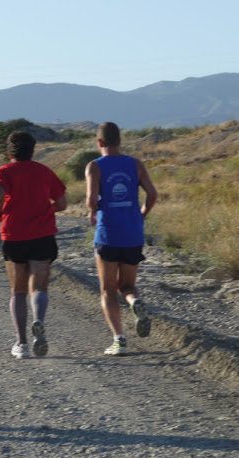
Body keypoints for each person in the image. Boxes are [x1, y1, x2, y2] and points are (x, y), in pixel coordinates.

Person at [0, 131, 67, 359]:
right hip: (42, 234)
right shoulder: (44, 171)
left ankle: (21, 343)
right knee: (39, 286)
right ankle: (38, 321)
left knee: (18, 290)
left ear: (9, 152)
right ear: (33, 151)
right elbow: (62, 203)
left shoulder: (4, 171)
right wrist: (47, 209)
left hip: (14, 234)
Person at [86, 121, 158, 356]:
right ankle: (134, 302)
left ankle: (119, 340)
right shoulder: (135, 164)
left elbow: (91, 198)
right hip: (132, 235)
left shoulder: (95, 166)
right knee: (127, 286)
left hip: (108, 235)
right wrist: (141, 215)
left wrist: (91, 211)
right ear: (119, 141)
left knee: (107, 290)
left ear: (99, 142)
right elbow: (152, 194)